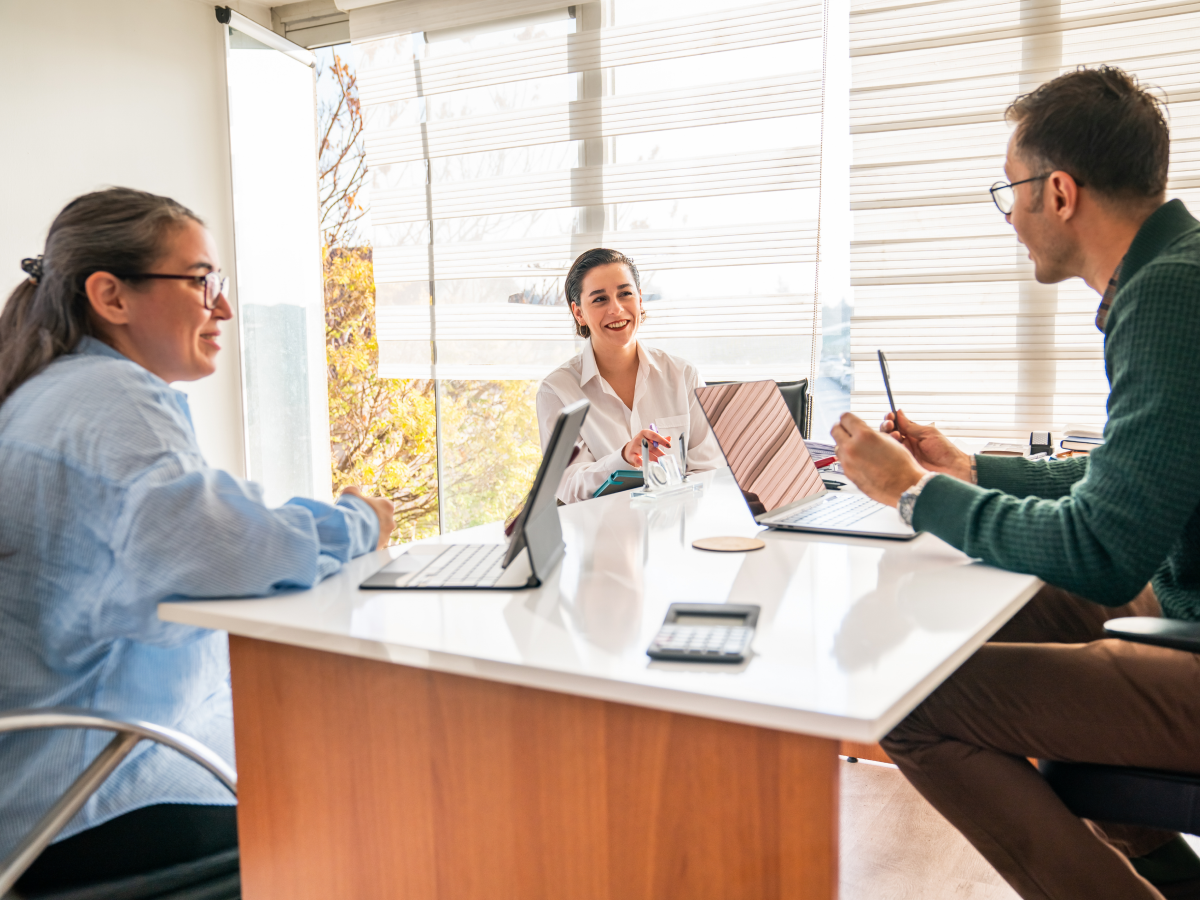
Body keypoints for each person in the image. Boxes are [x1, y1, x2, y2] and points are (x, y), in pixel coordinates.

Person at [831, 67, 1200, 900]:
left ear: (1059, 191)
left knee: (907, 703)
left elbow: (1103, 548)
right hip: (1181, 600)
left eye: (1012, 192)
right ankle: (1174, 880)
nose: (1012, 219)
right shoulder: (1174, 268)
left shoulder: (1171, 294)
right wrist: (963, 468)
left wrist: (913, 494)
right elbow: (1130, 472)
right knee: (963, 618)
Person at [0, 188, 394, 892]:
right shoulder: (110, 399)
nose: (223, 308)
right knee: (388, 805)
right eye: (202, 281)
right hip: (96, 798)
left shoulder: (44, 393)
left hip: (60, 786)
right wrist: (360, 519)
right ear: (110, 296)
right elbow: (234, 548)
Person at [537, 248, 722, 503]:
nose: (616, 309)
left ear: (640, 299)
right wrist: (622, 458)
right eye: (600, 299)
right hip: (603, 536)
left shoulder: (684, 376)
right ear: (578, 312)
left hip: (677, 530)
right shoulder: (557, 391)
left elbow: (709, 470)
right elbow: (568, 485)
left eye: (625, 294)